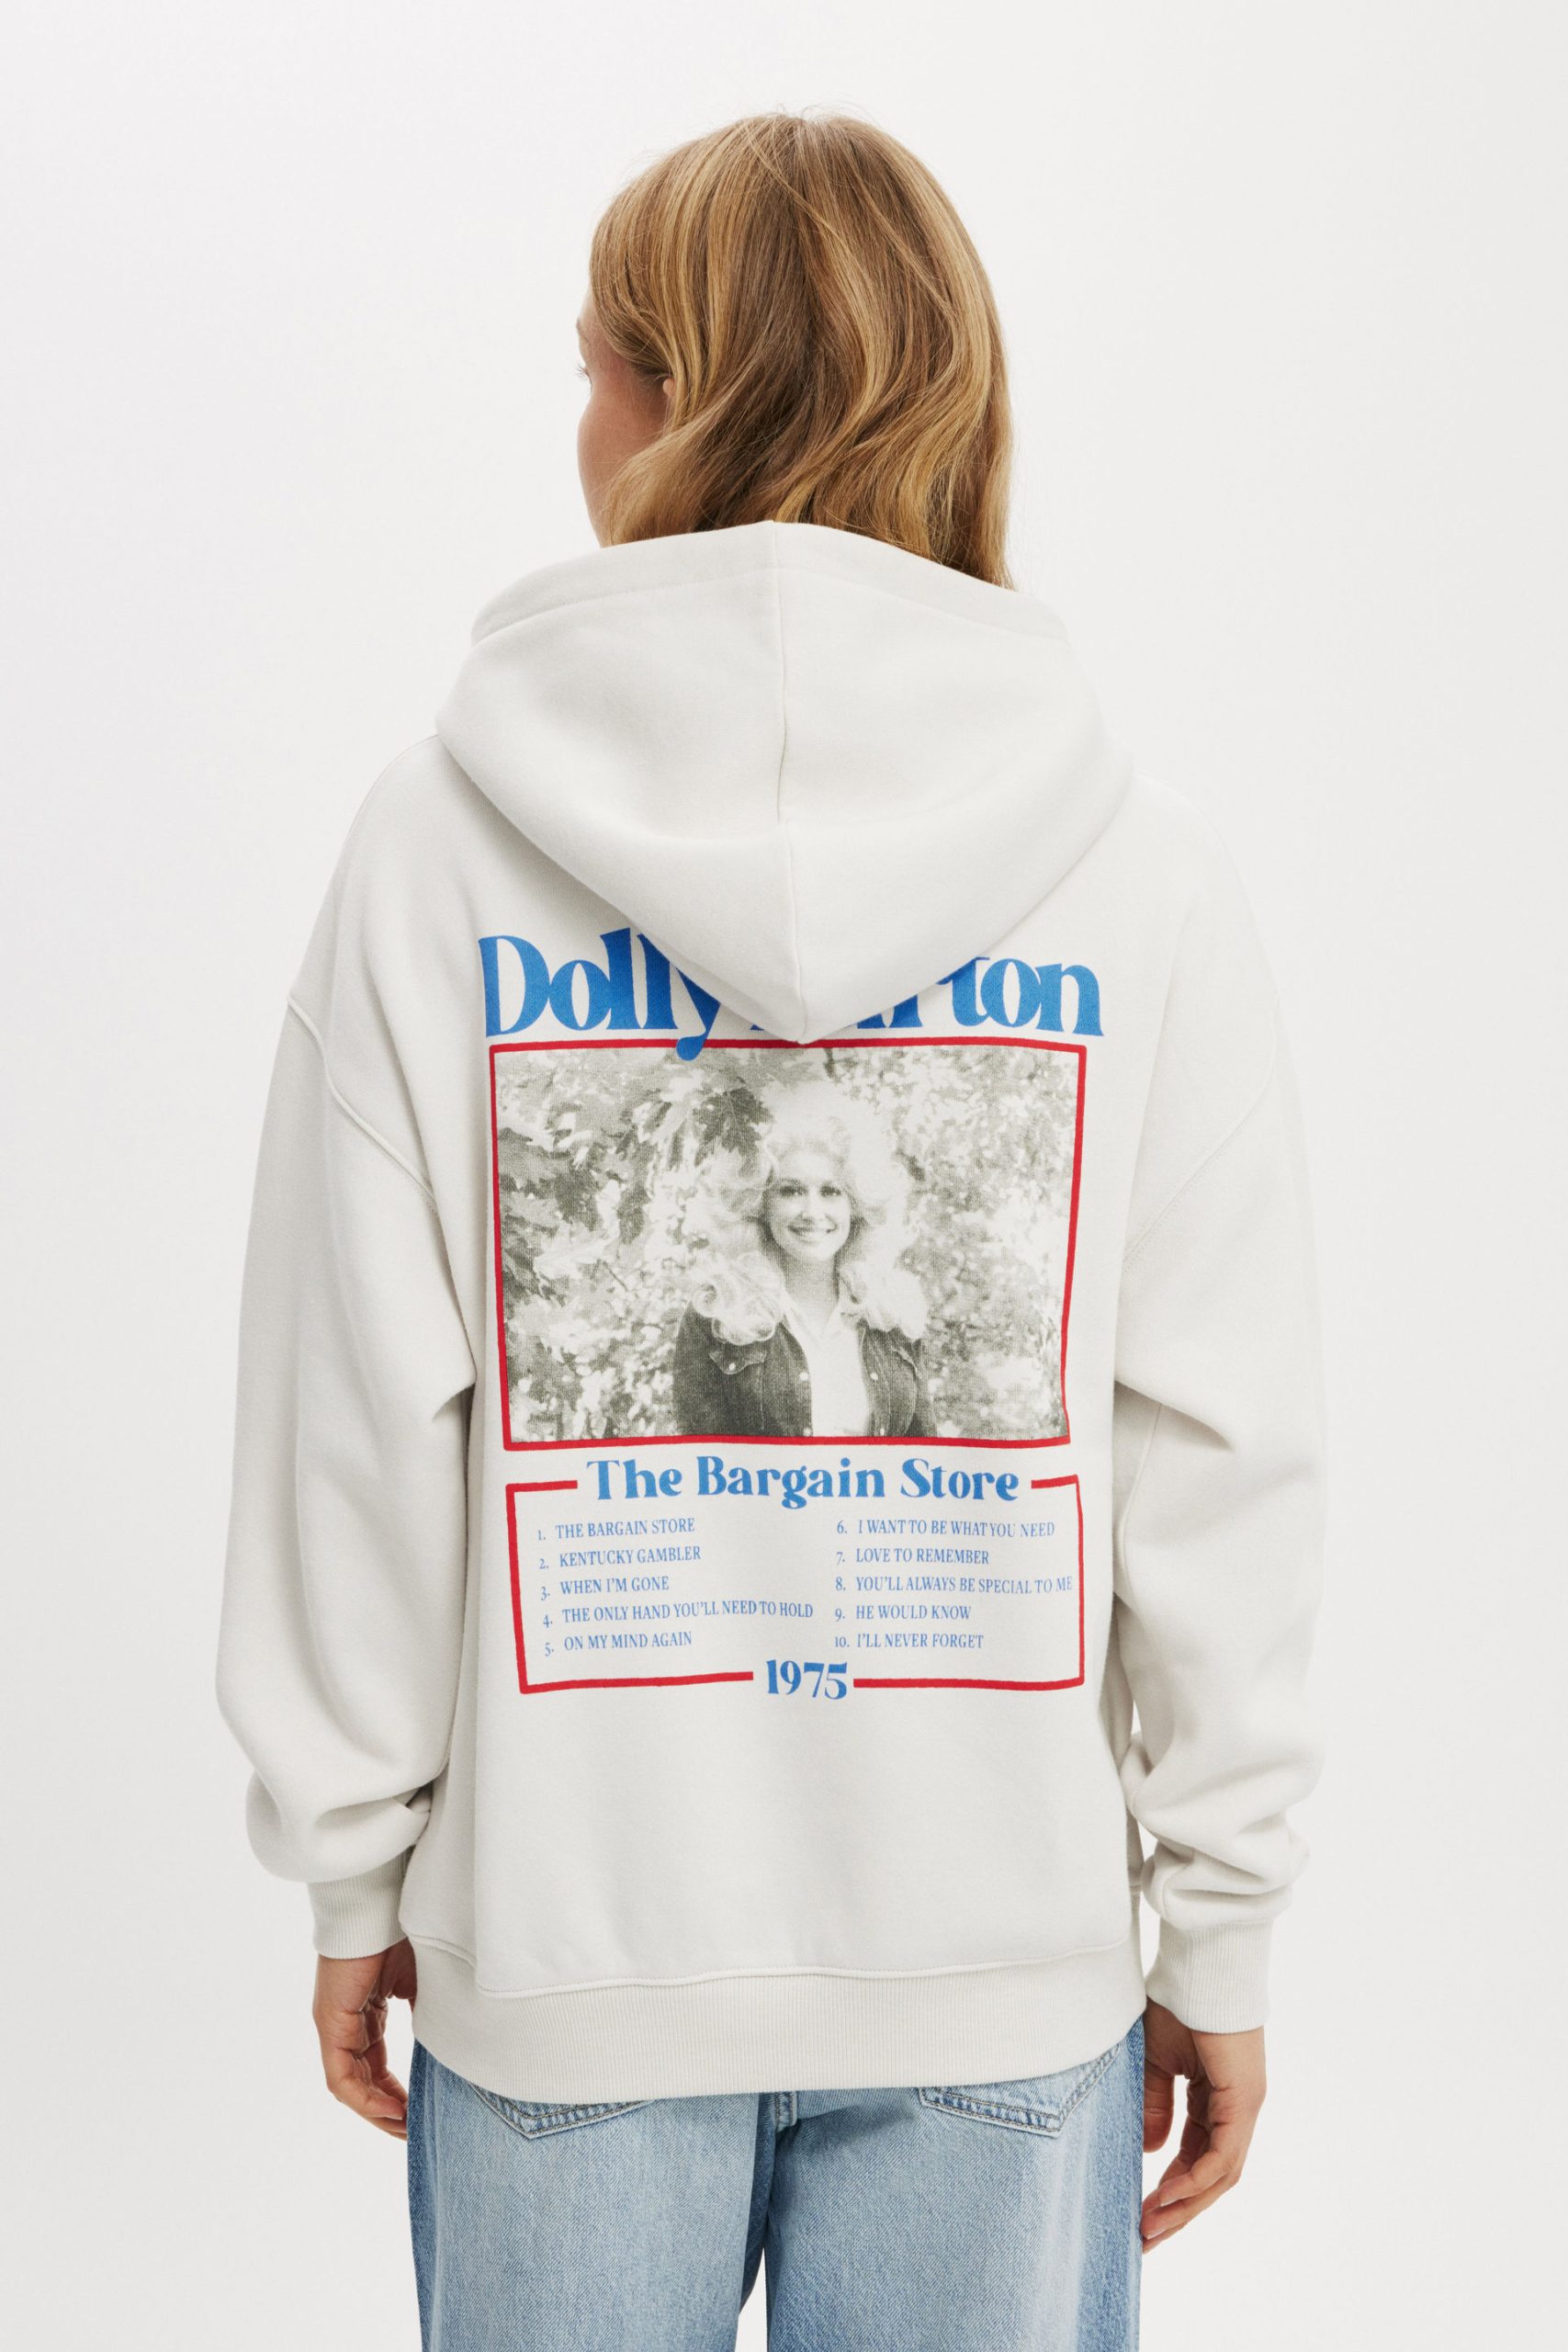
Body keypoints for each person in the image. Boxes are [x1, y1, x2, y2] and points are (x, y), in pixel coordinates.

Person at [218, 109, 1325, 2351]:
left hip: (570, 1946)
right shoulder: (1140, 871)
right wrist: (1212, 1917)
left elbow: (351, 1421)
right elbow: (1220, 1450)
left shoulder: (432, 850)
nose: (577, 422)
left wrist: (353, 1855)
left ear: (672, 401)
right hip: (996, 1957)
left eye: (592, 366)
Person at [671, 1078, 935, 1440]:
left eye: (830, 1191)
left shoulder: (891, 1312)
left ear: (856, 1206)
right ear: (760, 1204)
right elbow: (699, 1459)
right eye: (791, 1191)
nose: (812, 1212)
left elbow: (924, 1451)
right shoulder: (717, 1313)